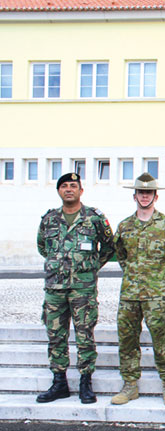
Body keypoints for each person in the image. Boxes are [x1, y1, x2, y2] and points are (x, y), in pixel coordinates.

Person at [36, 172, 114, 404]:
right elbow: (43, 247)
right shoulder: (49, 219)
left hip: (83, 289)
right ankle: (59, 382)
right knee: (55, 336)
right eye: (64, 186)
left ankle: (85, 382)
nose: (69, 189)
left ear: (81, 190)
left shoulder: (94, 218)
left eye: (73, 186)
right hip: (55, 289)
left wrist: (90, 267)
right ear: (59, 191)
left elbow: (110, 246)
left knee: (84, 335)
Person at [110, 173, 165, 406]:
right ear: (135, 196)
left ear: (155, 196)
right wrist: (135, 276)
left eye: (149, 193)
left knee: (162, 339)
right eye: (141, 193)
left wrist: (163, 282)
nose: (145, 196)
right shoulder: (124, 226)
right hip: (130, 294)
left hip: (157, 295)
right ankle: (130, 384)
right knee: (127, 339)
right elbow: (121, 256)